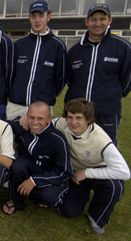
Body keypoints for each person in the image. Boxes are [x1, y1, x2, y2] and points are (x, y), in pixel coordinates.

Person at [53, 98, 130, 234]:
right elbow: (44, 123)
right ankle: (83, 194)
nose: (73, 122)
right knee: (67, 211)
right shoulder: (61, 123)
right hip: (74, 174)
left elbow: (124, 172)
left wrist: (86, 173)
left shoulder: (101, 139)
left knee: (115, 187)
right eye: (70, 117)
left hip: (96, 170)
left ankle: (96, 216)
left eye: (78, 118)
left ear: (88, 119)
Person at [65, 3, 131, 142]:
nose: (98, 23)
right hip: (77, 113)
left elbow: (127, 80)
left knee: (104, 149)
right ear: (87, 21)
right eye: (94, 19)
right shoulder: (75, 50)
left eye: (102, 19)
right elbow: (70, 79)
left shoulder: (122, 47)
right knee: (75, 149)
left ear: (110, 20)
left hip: (106, 111)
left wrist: (112, 95)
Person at [3, 101, 73, 215]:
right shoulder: (23, 125)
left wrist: (34, 181)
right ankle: (15, 200)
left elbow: (64, 172)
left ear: (49, 119)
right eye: (31, 117)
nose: (35, 122)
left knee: (48, 197)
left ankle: (44, 194)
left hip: (49, 174)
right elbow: (3, 124)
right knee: (17, 166)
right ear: (26, 116)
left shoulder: (58, 141)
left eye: (40, 119)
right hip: (29, 167)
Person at [7, 0, 66, 120]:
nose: (37, 20)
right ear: (29, 18)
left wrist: (48, 95)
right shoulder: (19, 44)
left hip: (42, 107)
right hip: (16, 105)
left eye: (41, 16)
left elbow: (61, 78)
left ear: (48, 17)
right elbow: (10, 74)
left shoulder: (58, 45)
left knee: (40, 138)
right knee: (13, 138)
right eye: (34, 16)